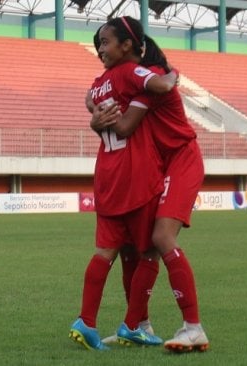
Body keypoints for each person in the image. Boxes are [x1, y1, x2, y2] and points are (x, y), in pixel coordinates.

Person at [91, 16, 209, 353]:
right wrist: (94, 118)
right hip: (157, 165)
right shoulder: (136, 83)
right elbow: (100, 103)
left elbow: (126, 126)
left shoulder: (149, 80)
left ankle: (193, 326)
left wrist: (170, 77)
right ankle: (136, 325)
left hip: (181, 159)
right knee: (134, 246)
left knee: (159, 238)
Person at [68, 22, 179, 351]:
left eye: (104, 43)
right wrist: (172, 76)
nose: (100, 49)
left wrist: (95, 113)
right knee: (149, 250)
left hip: (106, 176)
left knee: (106, 252)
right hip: (135, 176)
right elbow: (158, 85)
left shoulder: (100, 84)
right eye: (101, 43)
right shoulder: (131, 72)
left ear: (124, 44)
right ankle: (133, 325)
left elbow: (89, 99)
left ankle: (86, 321)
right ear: (130, 46)